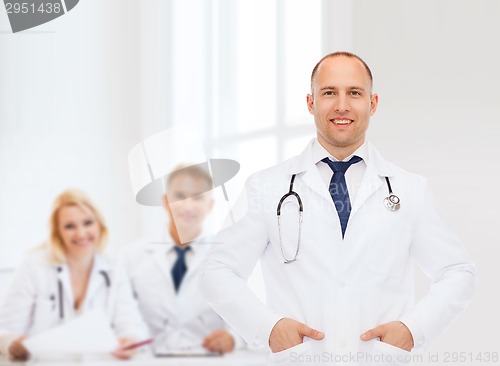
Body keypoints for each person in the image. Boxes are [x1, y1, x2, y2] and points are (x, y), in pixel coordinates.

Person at [200, 52, 476, 365]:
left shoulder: (410, 189)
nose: (341, 105)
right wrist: (267, 327)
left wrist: (413, 330)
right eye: (329, 92)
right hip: (300, 359)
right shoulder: (267, 187)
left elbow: (458, 272)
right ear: (310, 102)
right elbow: (216, 271)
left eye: (354, 93)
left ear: (372, 104)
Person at [0, 189, 149, 361]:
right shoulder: (34, 266)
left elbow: (131, 325)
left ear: (99, 225)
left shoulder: (114, 268)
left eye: (88, 223)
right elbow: (5, 329)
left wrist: (130, 340)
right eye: (69, 226)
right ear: (58, 232)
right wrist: (12, 344)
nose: (81, 233)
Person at [120, 165, 242, 354]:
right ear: (166, 201)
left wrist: (233, 338)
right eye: (180, 196)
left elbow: (244, 314)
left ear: (210, 205)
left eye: (198, 197)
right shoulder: (131, 256)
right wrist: (130, 338)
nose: (188, 206)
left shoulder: (227, 256)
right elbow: (125, 315)